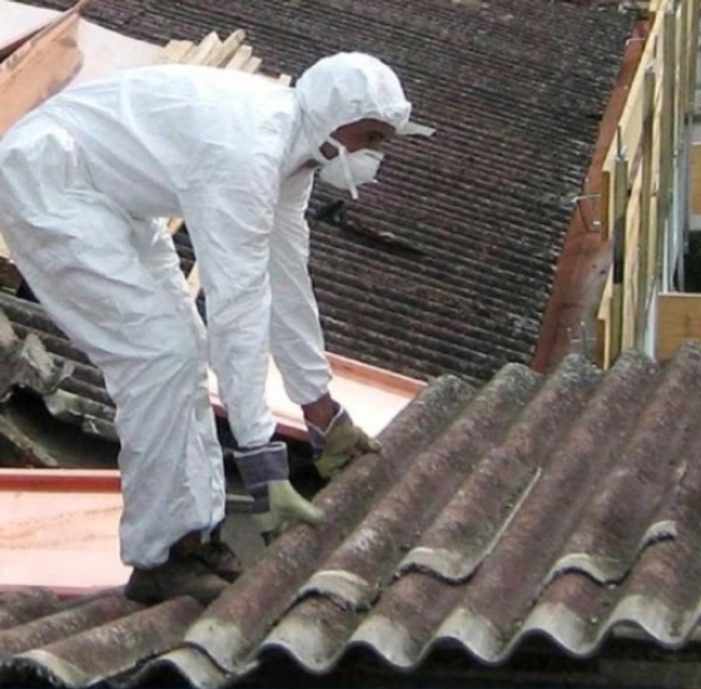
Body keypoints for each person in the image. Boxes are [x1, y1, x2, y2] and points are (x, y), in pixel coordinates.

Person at [0, 52, 414, 604]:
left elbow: (286, 282)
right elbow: (238, 305)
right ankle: (161, 556)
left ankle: (195, 536)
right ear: (334, 117)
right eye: (370, 137)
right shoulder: (248, 152)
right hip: (49, 180)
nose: (373, 156)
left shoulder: (293, 155)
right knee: (159, 358)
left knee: (185, 350)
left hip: (114, 199)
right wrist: (261, 456)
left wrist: (322, 410)